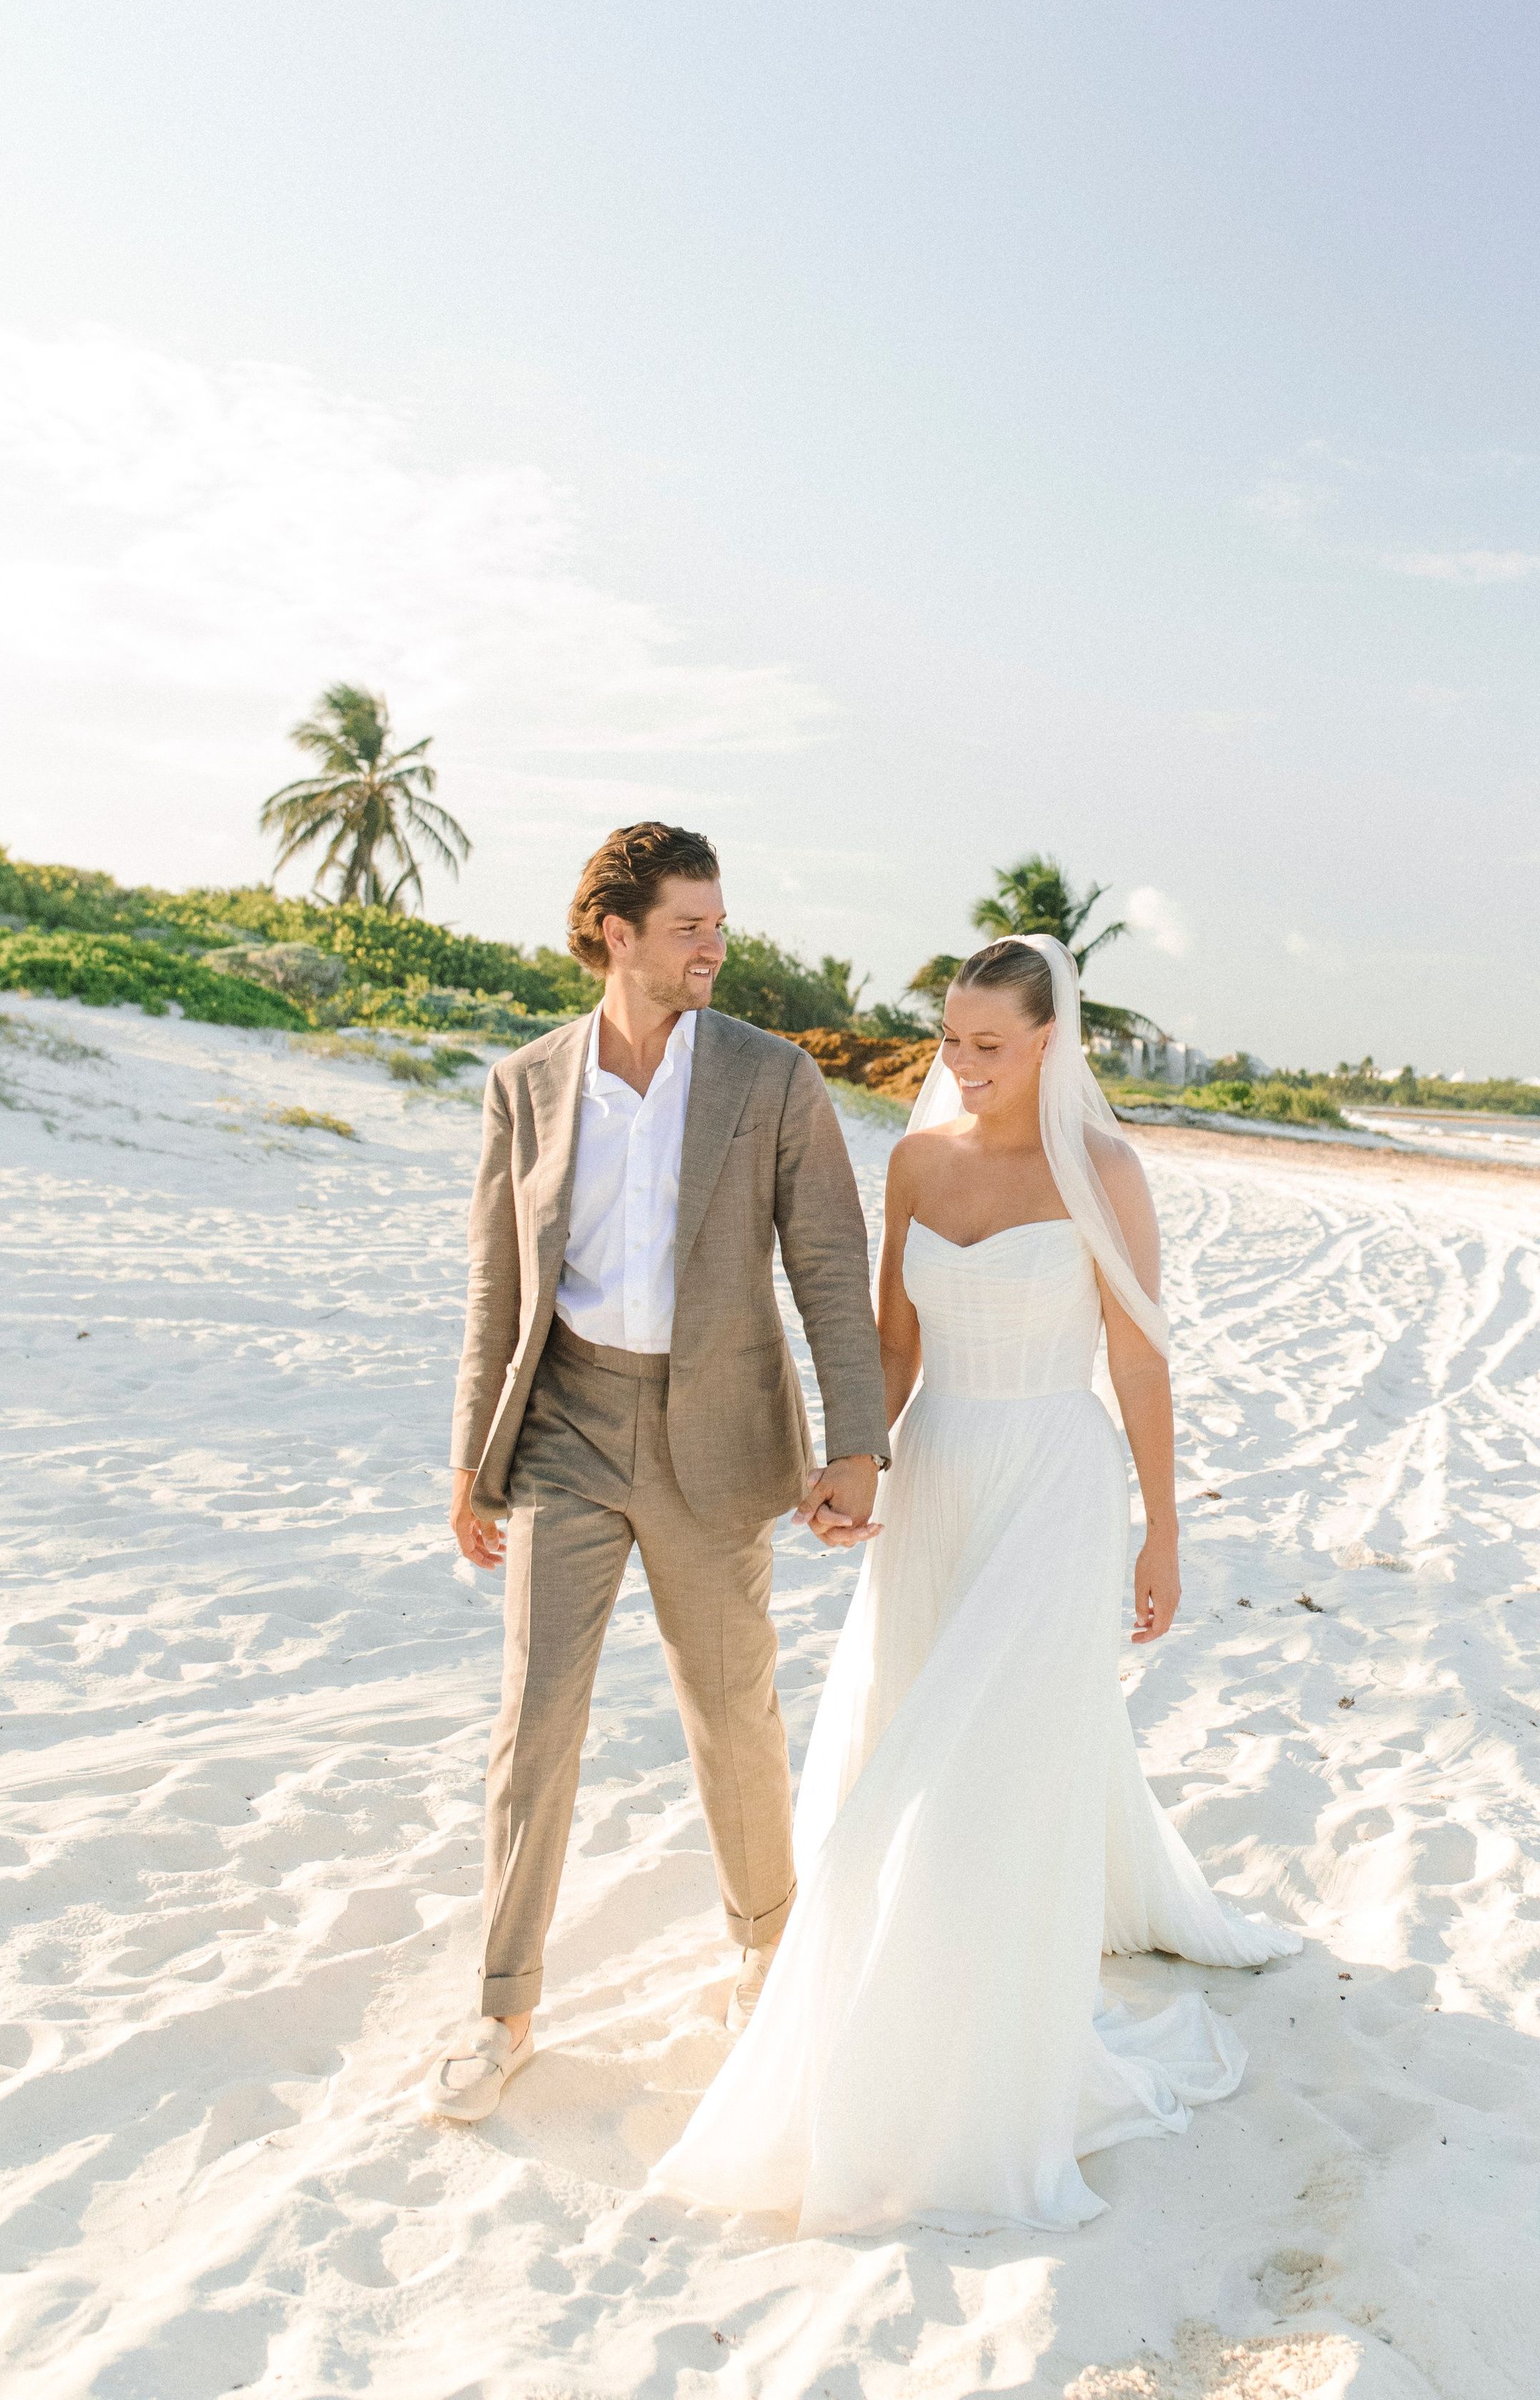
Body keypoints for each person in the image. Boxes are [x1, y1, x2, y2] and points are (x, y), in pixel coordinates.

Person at [653, 932, 1301, 2234]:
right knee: (910, 1719)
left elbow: (1142, 1364)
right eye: (950, 1039)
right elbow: (893, 1342)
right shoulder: (917, 1158)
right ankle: (905, 1980)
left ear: (1049, 1043)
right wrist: (857, 1460)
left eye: (987, 1045)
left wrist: (1160, 1531)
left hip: (1055, 1480)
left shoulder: (1106, 1172)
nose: (960, 1064)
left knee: (995, 1751)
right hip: (941, 1468)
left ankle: (982, 2034)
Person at [419, 822, 889, 2123]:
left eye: (720, 924)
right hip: (567, 1422)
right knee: (536, 1720)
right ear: (614, 936)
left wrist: (856, 1444)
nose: (714, 948)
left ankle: (765, 1951)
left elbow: (832, 1267)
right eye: (690, 926)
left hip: (715, 1436)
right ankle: (502, 2007)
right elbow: (497, 1283)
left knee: (731, 1708)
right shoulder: (525, 1083)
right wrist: (475, 1460)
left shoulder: (772, 1076)